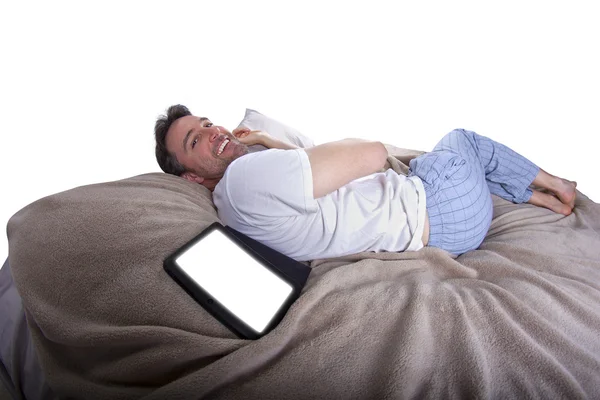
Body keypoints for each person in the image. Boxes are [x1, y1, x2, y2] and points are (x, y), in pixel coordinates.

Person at [154, 104, 577, 261]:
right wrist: (262, 149)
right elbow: (373, 154)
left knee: (448, 158)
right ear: (191, 176)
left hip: (442, 235)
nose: (214, 132)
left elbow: (296, 172)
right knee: (459, 139)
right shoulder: (244, 177)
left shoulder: (236, 205)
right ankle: (558, 187)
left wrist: (265, 140)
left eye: (207, 122)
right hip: (443, 207)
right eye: (196, 139)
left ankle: (534, 196)